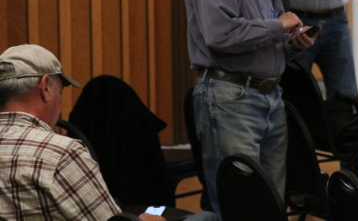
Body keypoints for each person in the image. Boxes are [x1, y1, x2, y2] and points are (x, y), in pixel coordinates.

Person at [185, 0, 318, 215]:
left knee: (271, 201)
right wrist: (278, 26)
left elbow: (268, 38)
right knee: (239, 201)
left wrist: (292, 43)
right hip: (230, 99)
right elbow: (220, 36)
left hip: (269, 97)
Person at [0, 44, 217, 221]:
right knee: (207, 218)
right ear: (45, 86)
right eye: (61, 90)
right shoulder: (60, 153)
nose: (61, 101)